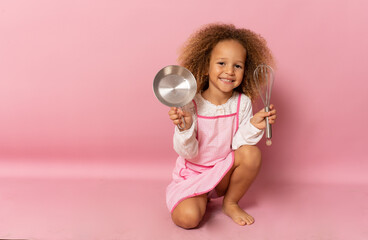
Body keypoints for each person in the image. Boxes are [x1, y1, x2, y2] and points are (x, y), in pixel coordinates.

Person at [166, 23, 277, 229]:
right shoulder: (190, 104)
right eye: (221, 63)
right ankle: (199, 198)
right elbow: (187, 152)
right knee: (187, 219)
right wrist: (186, 128)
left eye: (237, 66)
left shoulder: (241, 102)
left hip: (223, 173)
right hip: (194, 174)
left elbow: (238, 144)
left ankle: (230, 202)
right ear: (205, 67)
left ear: (246, 69)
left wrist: (254, 125)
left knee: (252, 153)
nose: (229, 71)